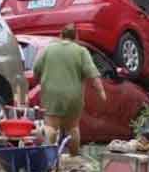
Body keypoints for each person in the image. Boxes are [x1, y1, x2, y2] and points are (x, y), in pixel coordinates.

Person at [33, 23, 106, 156]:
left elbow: (36, 69)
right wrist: (101, 92)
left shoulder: (48, 49)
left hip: (51, 93)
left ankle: (50, 158)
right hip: (74, 95)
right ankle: (73, 157)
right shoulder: (81, 51)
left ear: (60, 35)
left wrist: (39, 80)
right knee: (73, 127)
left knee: (50, 126)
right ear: (76, 37)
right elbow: (92, 73)